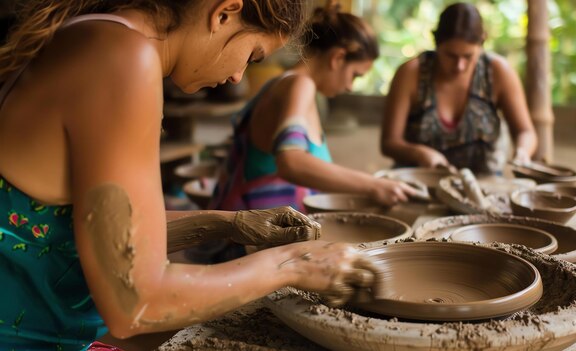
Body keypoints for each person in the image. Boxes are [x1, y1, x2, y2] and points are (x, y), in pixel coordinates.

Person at [0, 1, 378, 350]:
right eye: (251, 55)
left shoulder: (95, 35)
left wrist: (228, 223)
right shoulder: (124, 59)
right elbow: (134, 303)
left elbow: (103, 235)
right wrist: (293, 264)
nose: (237, 77)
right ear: (224, 12)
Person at [213, 2, 418, 213]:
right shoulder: (300, 85)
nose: (349, 86)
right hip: (249, 239)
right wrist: (373, 185)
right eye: (355, 75)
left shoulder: (285, 83)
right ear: (337, 58)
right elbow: (291, 161)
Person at [381, 2, 538, 175]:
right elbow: (389, 143)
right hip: (420, 177)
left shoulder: (498, 73)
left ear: (482, 43)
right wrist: (419, 153)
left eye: (468, 56)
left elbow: (525, 132)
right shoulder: (411, 74)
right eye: (450, 55)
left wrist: (522, 153)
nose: (460, 66)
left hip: (483, 181)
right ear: (436, 43)